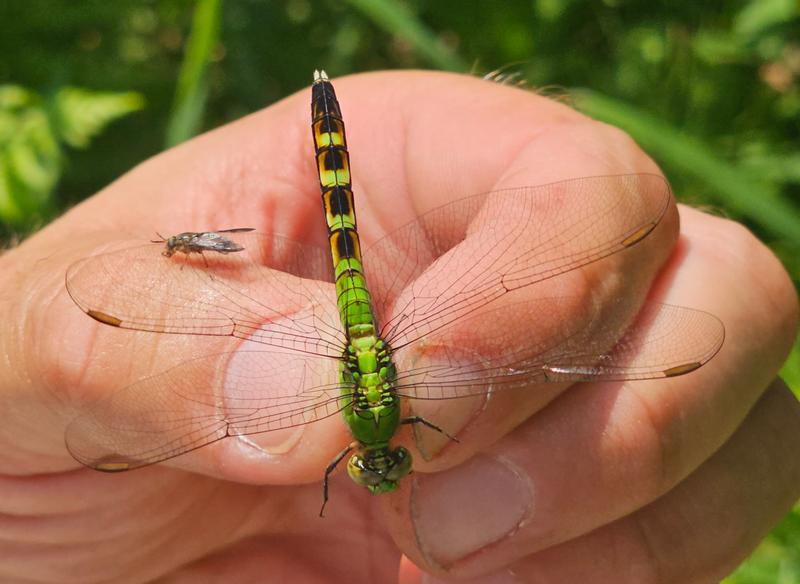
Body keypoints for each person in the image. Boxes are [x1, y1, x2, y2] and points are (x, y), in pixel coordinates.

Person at [0, 71, 797, 583]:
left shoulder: (375, 427)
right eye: (381, 464)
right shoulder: (392, 420)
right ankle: (330, 119)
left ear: (360, 454)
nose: (376, 467)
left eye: (369, 467)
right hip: (352, 315)